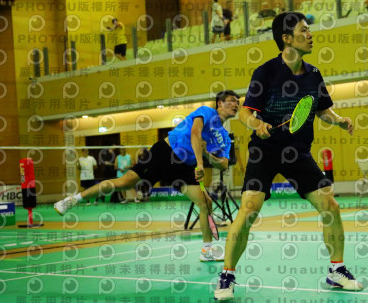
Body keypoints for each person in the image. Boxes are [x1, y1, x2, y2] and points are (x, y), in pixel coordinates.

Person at [214, 12, 364, 302]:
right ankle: (227, 274)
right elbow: (245, 111)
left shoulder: (313, 74)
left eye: (309, 29)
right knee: (249, 208)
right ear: (286, 38)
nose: (310, 34)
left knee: (330, 205)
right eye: (304, 30)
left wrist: (338, 120)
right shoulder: (266, 72)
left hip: (297, 152)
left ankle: (337, 270)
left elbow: (321, 109)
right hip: (265, 150)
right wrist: (256, 124)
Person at [55, 91, 241, 262]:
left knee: (206, 202)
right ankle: (74, 199)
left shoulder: (224, 137)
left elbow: (224, 163)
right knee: (125, 182)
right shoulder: (206, 112)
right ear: (220, 103)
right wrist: (201, 162)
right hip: (165, 152)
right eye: (232, 101)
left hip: (184, 166)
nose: (236, 104)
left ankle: (207, 250)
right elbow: (195, 133)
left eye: (237, 102)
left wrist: (207, 155)